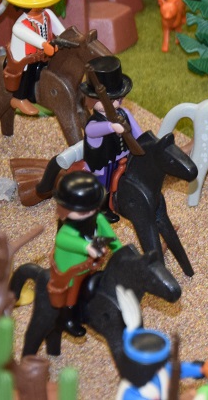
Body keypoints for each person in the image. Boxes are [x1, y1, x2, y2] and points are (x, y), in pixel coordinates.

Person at [49, 171, 123, 337]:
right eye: (83, 211)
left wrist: (121, 252)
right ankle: (67, 318)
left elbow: (111, 238)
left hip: (92, 264)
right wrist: (86, 246)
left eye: (92, 208)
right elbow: (62, 239)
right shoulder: (68, 230)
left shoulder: (98, 219)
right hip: (71, 267)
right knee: (74, 288)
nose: (89, 213)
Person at [0, 0, 68, 116]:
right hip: (25, 57)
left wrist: (67, 38)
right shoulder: (19, 25)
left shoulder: (47, 14)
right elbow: (31, 37)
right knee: (27, 71)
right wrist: (44, 45)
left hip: (46, 52)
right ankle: (19, 98)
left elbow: (60, 30)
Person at [81, 56, 141, 222]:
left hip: (124, 157)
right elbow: (91, 130)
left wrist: (145, 144)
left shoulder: (124, 113)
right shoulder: (95, 122)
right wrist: (111, 127)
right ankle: (102, 209)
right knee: (103, 185)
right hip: (102, 163)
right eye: (108, 100)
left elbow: (138, 133)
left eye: (116, 99)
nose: (114, 103)